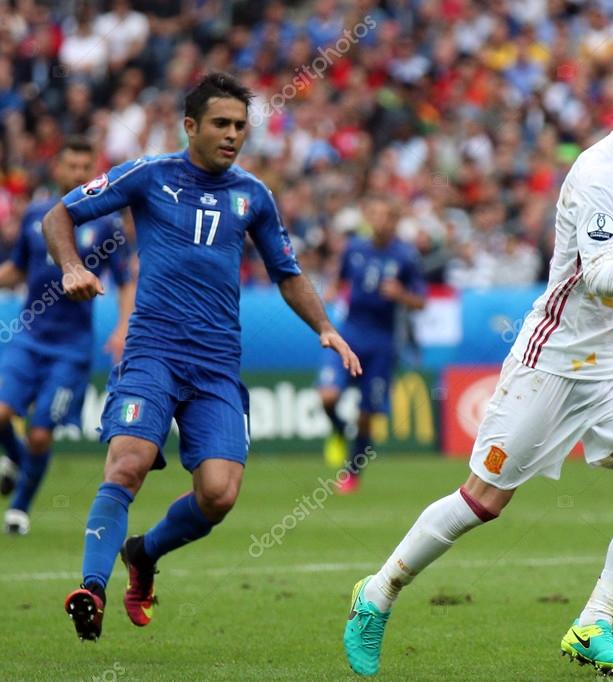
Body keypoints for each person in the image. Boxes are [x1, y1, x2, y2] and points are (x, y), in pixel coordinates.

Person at [343, 45, 613, 678]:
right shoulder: (596, 174)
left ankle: (594, 623)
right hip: (552, 361)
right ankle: (378, 592)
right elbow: (603, 274)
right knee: (483, 502)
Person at [43, 72, 361, 642]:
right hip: (152, 351)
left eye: (241, 125)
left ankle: (144, 554)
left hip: (216, 364)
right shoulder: (149, 175)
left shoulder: (253, 196)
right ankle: (91, 588)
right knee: (128, 463)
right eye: (221, 123)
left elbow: (286, 273)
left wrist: (326, 328)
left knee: (219, 494)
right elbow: (58, 216)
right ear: (190, 126)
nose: (233, 134)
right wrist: (71, 265)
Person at [0, 137, 135, 535]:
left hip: (70, 350)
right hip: (28, 337)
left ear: (93, 170)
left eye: (84, 166)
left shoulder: (107, 225)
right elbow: (18, 269)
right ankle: (19, 465)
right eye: (70, 166)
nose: (77, 173)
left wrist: (123, 326)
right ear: (57, 168)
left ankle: (19, 507)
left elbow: (126, 281)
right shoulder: (37, 215)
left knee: (41, 434)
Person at [318, 196, 424, 493]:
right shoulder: (354, 249)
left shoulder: (405, 257)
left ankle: (353, 471)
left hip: (383, 341)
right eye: (374, 214)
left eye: (385, 215)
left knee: (367, 414)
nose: (379, 220)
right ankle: (339, 430)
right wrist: (330, 291)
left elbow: (421, 301)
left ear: (394, 221)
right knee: (327, 397)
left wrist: (401, 294)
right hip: (349, 333)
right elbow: (338, 281)